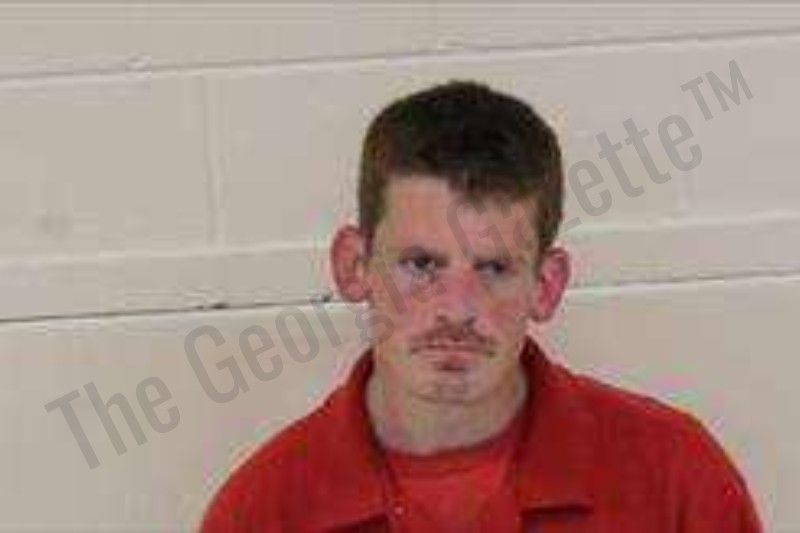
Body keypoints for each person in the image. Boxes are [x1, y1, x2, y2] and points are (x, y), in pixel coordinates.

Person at [200, 80, 762, 532]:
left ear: (546, 285)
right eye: (422, 264)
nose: (456, 308)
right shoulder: (262, 512)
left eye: (493, 269)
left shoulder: (677, 482)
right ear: (354, 266)